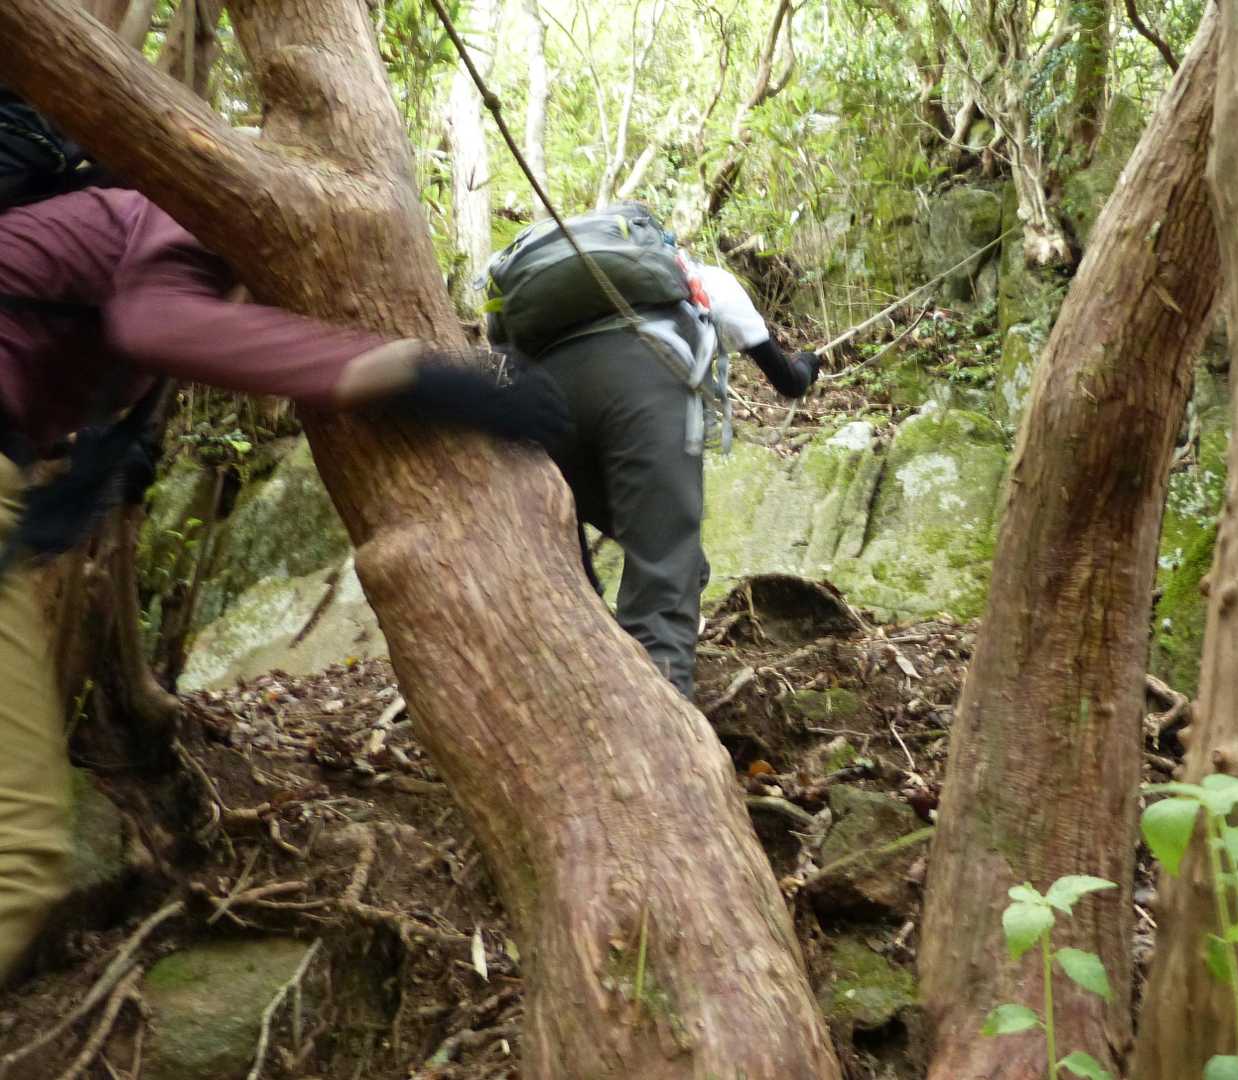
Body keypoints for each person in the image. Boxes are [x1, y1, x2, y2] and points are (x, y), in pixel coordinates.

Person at [0, 182, 573, 986]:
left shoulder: (122, 229)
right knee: (17, 851)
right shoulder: (180, 205)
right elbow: (156, 324)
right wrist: (418, 376)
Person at [490, 210, 819, 700]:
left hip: (538, 395)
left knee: (588, 555)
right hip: (642, 382)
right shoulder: (702, 277)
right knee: (666, 568)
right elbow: (787, 381)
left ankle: (586, 669)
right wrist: (810, 364)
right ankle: (661, 714)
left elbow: (500, 342)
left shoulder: (544, 298)